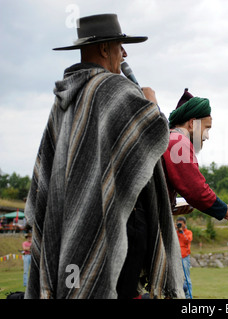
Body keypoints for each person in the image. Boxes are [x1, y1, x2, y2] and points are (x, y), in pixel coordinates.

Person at [24, 14, 184, 299]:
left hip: (68, 225)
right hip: (117, 222)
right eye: (121, 45)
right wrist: (152, 104)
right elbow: (156, 133)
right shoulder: (113, 89)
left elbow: (48, 172)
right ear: (104, 48)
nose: (124, 53)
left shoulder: (64, 99)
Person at [162, 88, 228, 221]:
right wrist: (227, 211)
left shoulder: (169, 138)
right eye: (206, 128)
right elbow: (196, 190)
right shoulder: (178, 141)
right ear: (192, 123)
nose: (207, 136)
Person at [175, 216, 193, 298]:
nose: (179, 225)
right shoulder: (175, 232)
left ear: (184, 224)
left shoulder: (188, 232)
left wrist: (182, 232)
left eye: (181, 224)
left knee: (186, 278)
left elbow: (187, 240)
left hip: (185, 257)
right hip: (176, 257)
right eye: (178, 223)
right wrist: (175, 229)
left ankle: (189, 296)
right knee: (175, 277)